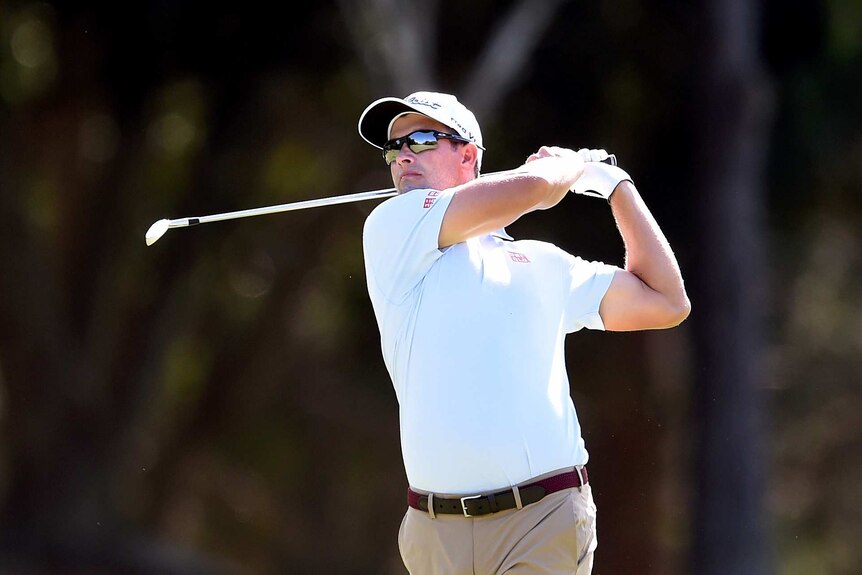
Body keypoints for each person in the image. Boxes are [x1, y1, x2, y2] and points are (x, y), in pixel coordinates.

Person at [358, 91, 690, 575]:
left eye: (423, 139)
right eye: (394, 148)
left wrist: (615, 185)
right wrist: (570, 166)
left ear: (468, 155)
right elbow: (534, 188)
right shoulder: (392, 226)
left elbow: (666, 301)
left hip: (542, 518)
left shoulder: (543, 262)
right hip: (434, 534)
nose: (403, 155)